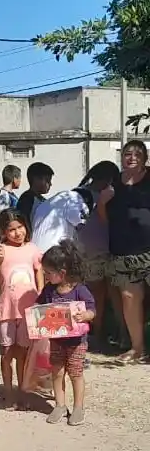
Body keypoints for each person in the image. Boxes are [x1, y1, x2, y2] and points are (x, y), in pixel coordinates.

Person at [99, 140, 150, 363]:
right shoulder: (114, 184)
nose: (132, 158)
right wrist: (102, 203)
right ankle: (137, 349)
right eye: (128, 154)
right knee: (129, 299)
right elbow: (105, 220)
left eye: (137, 154)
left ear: (145, 158)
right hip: (123, 251)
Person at [38, 240, 95, 426]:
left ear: (61, 273)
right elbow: (40, 305)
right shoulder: (49, 289)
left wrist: (85, 315)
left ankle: (78, 407)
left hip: (77, 342)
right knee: (57, 371)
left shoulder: (80, 289)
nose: (45, 276)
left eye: (48, 273)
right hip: (56, 340)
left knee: (75, 373)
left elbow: (92, 310)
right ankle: (60, 405)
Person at [0, 208, 43, 410]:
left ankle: (23, 392)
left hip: (28, 311)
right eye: (11, 229)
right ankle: (8, 392)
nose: (17, 233)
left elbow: (39, 272)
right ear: (3, 232)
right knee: (7, 353)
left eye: (20, 227)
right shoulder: (0, 250)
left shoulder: (33, 249)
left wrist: (41, 296)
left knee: (23, 353)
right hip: (6, 308)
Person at [75, 162, 122, 343]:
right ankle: (99, 331)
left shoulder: (78, 193)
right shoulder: (104, 196)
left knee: (95, 294)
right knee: (100, 295)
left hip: (88, 250)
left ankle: (97, 331)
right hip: (99, 251)